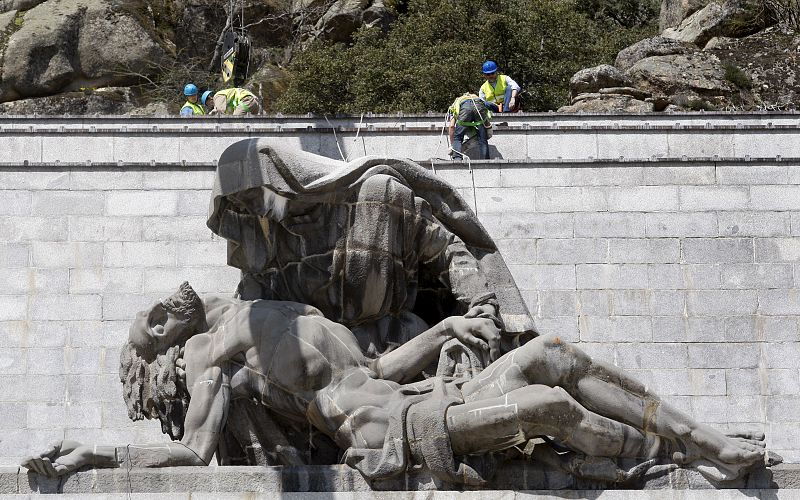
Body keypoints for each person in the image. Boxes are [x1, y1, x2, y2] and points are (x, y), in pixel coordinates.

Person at [21, 282, 767, 485]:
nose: (158, 308)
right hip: (399, 441)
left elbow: (370, 371)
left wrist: (441, 332)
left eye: (148, 309)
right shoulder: (214, 357)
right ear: (166, 356)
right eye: (151, 328)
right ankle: (662, 459)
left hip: (419, 398)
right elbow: (189, 456)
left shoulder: (272, 307)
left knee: (552, 353)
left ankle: (706, 444)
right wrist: (95, 457)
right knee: (545, 403)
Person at [206, 141, 535, 357]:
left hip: (394, 345)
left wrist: (482, 304)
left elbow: (447, 250)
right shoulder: (267, 242)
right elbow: (247, 308)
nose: (252, 211)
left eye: (251, 197)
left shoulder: (379, 196)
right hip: (316, 357)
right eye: (239, 205)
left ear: (281, 178)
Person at [448, 93, 491, 160]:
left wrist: (452, 145)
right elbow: (486, 121)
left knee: (457, 137)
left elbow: (451, 126)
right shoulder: (477, 98)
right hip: (479, 105)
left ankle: (457, 159)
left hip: (465, 108)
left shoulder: (454, 104)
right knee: (483, 138)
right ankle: (486, 161)